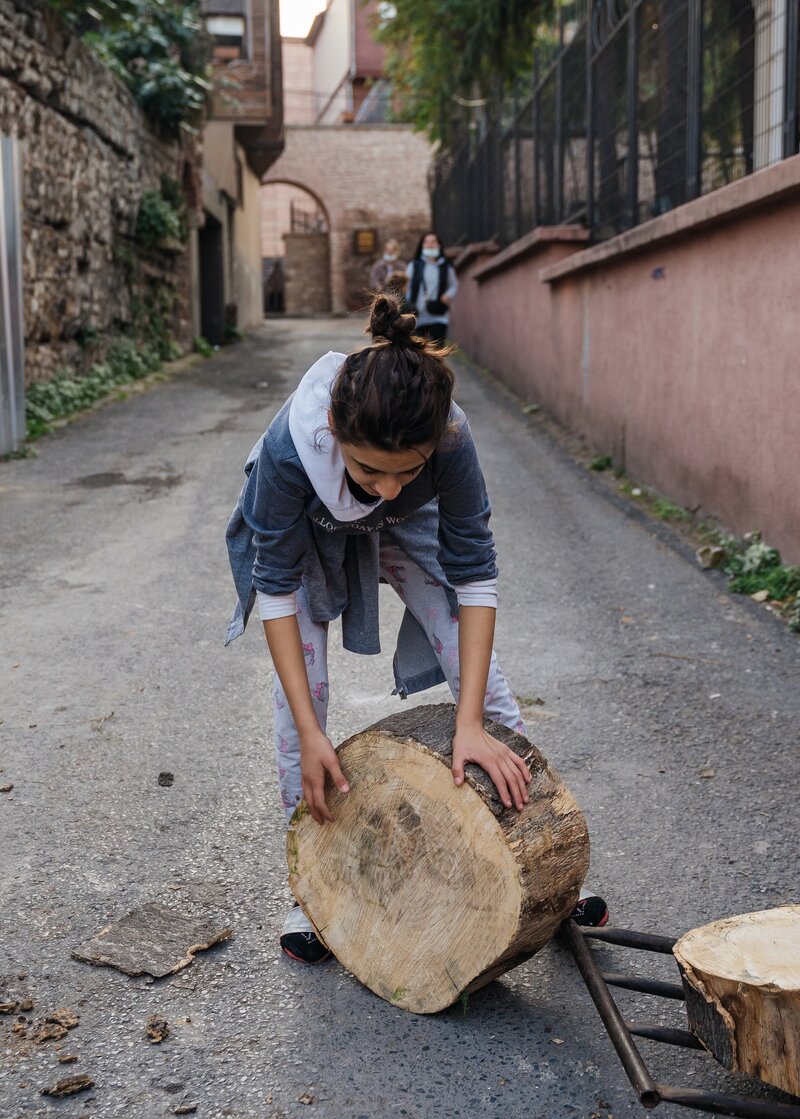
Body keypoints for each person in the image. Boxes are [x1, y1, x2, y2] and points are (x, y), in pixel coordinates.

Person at [225, 293, 608, 964]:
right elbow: (277, 591)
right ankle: (308, 893)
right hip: (308, 536)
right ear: (334, 433)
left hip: (404, 539)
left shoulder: (451, 440)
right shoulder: (293, 450)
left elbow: (476, 575)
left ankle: (540, 871)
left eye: (411, 469)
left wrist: (468, 726)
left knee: (485, 694)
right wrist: (316, 735)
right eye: (370, 468)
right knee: (299, 713)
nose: (391, 485)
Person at [405, 231, 458, 344]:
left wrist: (448, 295)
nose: (430, 245)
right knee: (420, 354)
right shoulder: (414, 265)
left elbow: (454, 285)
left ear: (439, 245)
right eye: (427, 242)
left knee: (437, 351)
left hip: (438, 314)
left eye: (433, 242)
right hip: (417, 316)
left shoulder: (445, 266)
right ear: (422, 245)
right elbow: (406, 286)